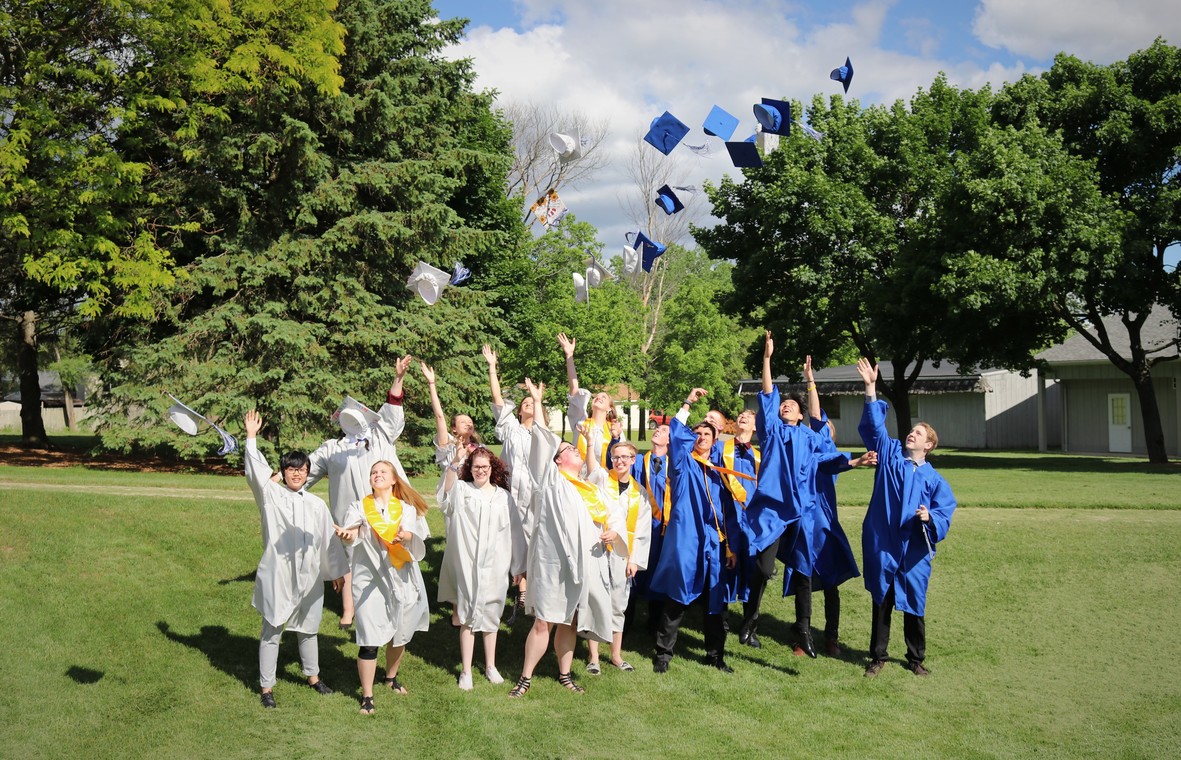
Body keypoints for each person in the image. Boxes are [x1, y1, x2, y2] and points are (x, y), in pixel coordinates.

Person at [738, 332, 847, 655]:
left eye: (792, 405)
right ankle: (751, 620)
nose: (786, 404)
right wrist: (767, 358)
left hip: (802, 512)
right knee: (763, 568)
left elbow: (823, 443)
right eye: (784, 404)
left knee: (803, 570)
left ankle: (805, 631)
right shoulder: (771, 431)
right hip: (773, 510)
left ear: (800, 417)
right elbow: (769, 393)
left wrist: (853, 460)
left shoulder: (810, 438)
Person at [509, 378, 619, 697]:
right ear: (559, 461)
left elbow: (605, 506)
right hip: (551, 561)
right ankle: (525, 677)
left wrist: (610, 530)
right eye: (570, 449)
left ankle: (565, 674)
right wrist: (537, 401)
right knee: (544, 621)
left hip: (580, 563)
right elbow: (544, 440)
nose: (574, 450)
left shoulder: (586, 485)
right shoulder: (552, 480)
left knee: (570, 621)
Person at [856, 357, 957, 677]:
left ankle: (915, 659)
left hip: (913, 547)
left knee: (914, 600)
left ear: (928, 445)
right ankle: (878, 656)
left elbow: (945, 510)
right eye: (910, 431)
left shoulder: (935, 479)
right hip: (885, 541)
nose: (910, 435)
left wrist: (929, 517)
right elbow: (874, 429)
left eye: (917, 433)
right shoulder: (890, 458)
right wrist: (870, 389)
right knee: (882, 598)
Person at [242, 410, 347, 709]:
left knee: (309, 628)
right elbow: (256, 473)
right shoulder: (271, 496)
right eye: (291, 470)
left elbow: (328, 539)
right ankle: (267, 687)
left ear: (308, 472)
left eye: (302, 470)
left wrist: (336, 572)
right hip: (280, 572)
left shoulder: (316, 504)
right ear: (283, 472)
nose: (297, 474)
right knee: (273, 628)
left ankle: (313, 677)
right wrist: (251, 438)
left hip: (311, 575)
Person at [649, 387, 750, 674]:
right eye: (698, 434)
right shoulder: (683, 463)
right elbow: (677, 432)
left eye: (708, 434)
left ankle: (715, 656)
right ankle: (663, 654)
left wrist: (730, 548)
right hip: (687, 541)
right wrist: (688, 403)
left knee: (714, 602)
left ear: (716, 440)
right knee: (677, 598)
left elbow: (726, 513)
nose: (702, 437)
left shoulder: (720, 472)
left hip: (714, 545)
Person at [306, 355, 413, 629]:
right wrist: (280, 479)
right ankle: (348, 610)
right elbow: (305, 469)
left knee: (387, 554)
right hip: (349, 511)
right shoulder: (333, 447)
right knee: (350, 558)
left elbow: (392, 409)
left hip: (383, 510)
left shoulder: (380, 436)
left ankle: (393, 602)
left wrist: (398, 378)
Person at [788, 355, 875, 657]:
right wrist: (810, 380)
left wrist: (853, 460)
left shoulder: (828, 452)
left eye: (825, 431)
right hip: (805, 522)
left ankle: (831, 638)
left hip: (825, 522)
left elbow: (827, 448)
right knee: (804, 578)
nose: (822, 431)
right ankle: (803, 636)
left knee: (831, 583)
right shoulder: (809, 445)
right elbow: (814, 415)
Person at [335, 461, 431, 714]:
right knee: (369, 636)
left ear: (393, 480)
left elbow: (413, 538)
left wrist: (406, 537)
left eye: (382, 472)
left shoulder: (406, 509)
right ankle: (367, 695)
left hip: (401, 578)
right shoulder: (359, 506)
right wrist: (348, 534)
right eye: (373, 472)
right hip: (370, 580)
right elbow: (353, 530)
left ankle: (390, 677)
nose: (377, 475)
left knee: (401, 632)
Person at [438, 447, 527, 691]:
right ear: (470, 468)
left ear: (492, 469)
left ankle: (490, 666)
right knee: (466, 612)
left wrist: (518, 567)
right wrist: (454, 465)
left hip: (497, 562)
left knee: (492, 611)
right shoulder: (463, 490)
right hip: (468, 561)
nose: (480, 470)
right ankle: (466, 670)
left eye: (485, 467)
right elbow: (445, 498)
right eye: (476, 466)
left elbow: (516, 533)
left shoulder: (503, 497)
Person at [583, 435, 651, 673]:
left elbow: (642, 530)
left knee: (618, 604)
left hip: (623, 555)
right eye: (615, 456)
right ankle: (593, 657)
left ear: (633, 459)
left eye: (624, 457)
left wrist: (635, 560)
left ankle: (616, 655)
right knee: (596, 601)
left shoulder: (639, 493)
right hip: (598, 551)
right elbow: (591, 469)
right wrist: (590, 444)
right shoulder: (602, 478)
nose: (619, 461)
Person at [482, 344, 534, 619]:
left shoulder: (544, 434)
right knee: (513, 545)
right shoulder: (511, 430)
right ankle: (519, 596)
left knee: (535, 545)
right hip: (511, 495)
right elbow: (499, 402)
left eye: (532, 403)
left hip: (536, 498)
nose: (527, 404)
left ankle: (534, 598)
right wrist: (492, 367)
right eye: (524, 403)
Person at [559, 332, 623, 469]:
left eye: (604, 397)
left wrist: (616, 436)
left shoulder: (615, 431)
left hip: (605, 484)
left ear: (609, 408)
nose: (598, 397)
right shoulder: (581, 422)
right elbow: (574, 389)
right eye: (596, 396)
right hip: (581, 482)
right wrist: (569, 356)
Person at [421, 362, 482, 502]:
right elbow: (439, 416)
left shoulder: (480, 448)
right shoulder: (447, 444)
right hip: (453, 495)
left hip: (475, 496)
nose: (468, 423)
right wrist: (432, 383)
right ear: (454, 428)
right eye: (463, 422)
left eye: (470, 422)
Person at [631, 422, 670, 635]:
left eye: (665, 430)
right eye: (658, 428)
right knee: (634, 572)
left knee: (658, 572)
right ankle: (624, 624)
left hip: (662, 529)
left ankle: (654, 623)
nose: (658, 430)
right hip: (638, 526)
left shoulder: (673, 465)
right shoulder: (637, 461)